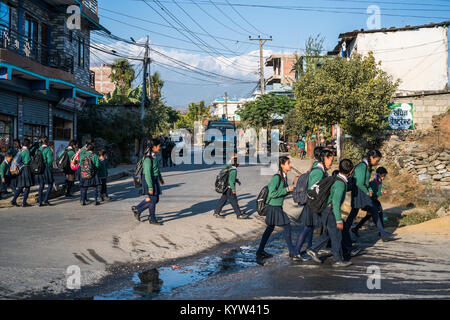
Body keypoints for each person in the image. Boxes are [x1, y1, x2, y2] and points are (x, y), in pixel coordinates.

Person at [306, 159, 355, 268]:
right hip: (330, 211)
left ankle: (313, 249)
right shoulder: (340, 184)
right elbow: (336, 203)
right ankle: (337, 260)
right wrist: (339, 220)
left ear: (338, 168)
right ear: (351, 172)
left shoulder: (336, 179)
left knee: (329, 233)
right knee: (337, 235)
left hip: (326, 210)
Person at [344, 150, 395, 246]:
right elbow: (359, 183)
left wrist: (369, 189)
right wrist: (368, 191)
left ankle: (347, 233)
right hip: (360, 193)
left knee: (355, 214)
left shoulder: (366, 166)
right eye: (377, 160)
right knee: (373, 210)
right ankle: (382, 233)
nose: (377, 162)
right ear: (371, 157)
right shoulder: (362, 166)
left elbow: (366, 182)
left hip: (361, 192)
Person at [293, 148, 334, 262]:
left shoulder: (320, 169)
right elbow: (314, 190)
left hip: (314, 205)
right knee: (307, 228)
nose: (332, 163)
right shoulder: (318, 172)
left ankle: (310, 249)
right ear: (324, 159)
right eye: (330, 160)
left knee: (309, 227)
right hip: (313, 205)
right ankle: (297, 252)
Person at [256, 156, 297, 265]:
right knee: (287, 226)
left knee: (269, 228)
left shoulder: (284, 176)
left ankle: (260, 251)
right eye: (288, 163)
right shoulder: (277, 177)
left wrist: (292, 189)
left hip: (276, 206)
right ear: (282, 165)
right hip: (274, 207)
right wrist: (287, 189)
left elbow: (283, 191)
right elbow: (272, 193)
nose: (290, 165)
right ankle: (292, 252)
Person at [132, 138, 165, 225]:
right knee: (153, 200)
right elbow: (147, 174)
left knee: (155, 199)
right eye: (158, 146)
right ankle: (152, 218)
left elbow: (156, 169)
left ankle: (138, 209)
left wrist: (160, 178)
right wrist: (150, 186)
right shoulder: (147, 159)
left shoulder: (153, 156)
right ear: (153, 147)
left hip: (154, 180)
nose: (159, 148)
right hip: (149, 181)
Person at [351, 167, 389, 237]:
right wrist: (382, 193)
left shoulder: (378, 181)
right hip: (371, 201)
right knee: (378, 215)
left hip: (373, 200)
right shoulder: (375, 182)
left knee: (368, 216)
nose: (383, 177)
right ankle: (382, 232)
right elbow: (375, 194)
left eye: (384, 176)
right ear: (379, 174)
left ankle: (355, 229)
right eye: (382, 176)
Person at [213, 154, 246, 219]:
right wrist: (233, 189)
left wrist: (236, 180)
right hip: (229, 188)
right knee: (234, 201)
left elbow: (229, 176)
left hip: (225, 187)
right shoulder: (234, 170)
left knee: (223, 200)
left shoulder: (229, 168)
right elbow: (231, 181)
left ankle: (216, 212)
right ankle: (239, 214)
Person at [11, 139, 34, 207]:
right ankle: (24, 202)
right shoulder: (26, 151)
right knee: (27, 186)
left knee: (21, 186)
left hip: (20, 169)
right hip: (26, 169)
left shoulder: (20, 150)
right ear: (28, 144)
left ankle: (13, 200)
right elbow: (27, 161)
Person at [34, 136, 54, 207]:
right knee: (50, 184)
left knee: (41, 185)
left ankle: (40, 201)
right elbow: (50, 161)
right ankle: (45, 200)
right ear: (47, 142)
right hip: (46, 168)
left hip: (39, 169)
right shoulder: (48, 150)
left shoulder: (38, 149)